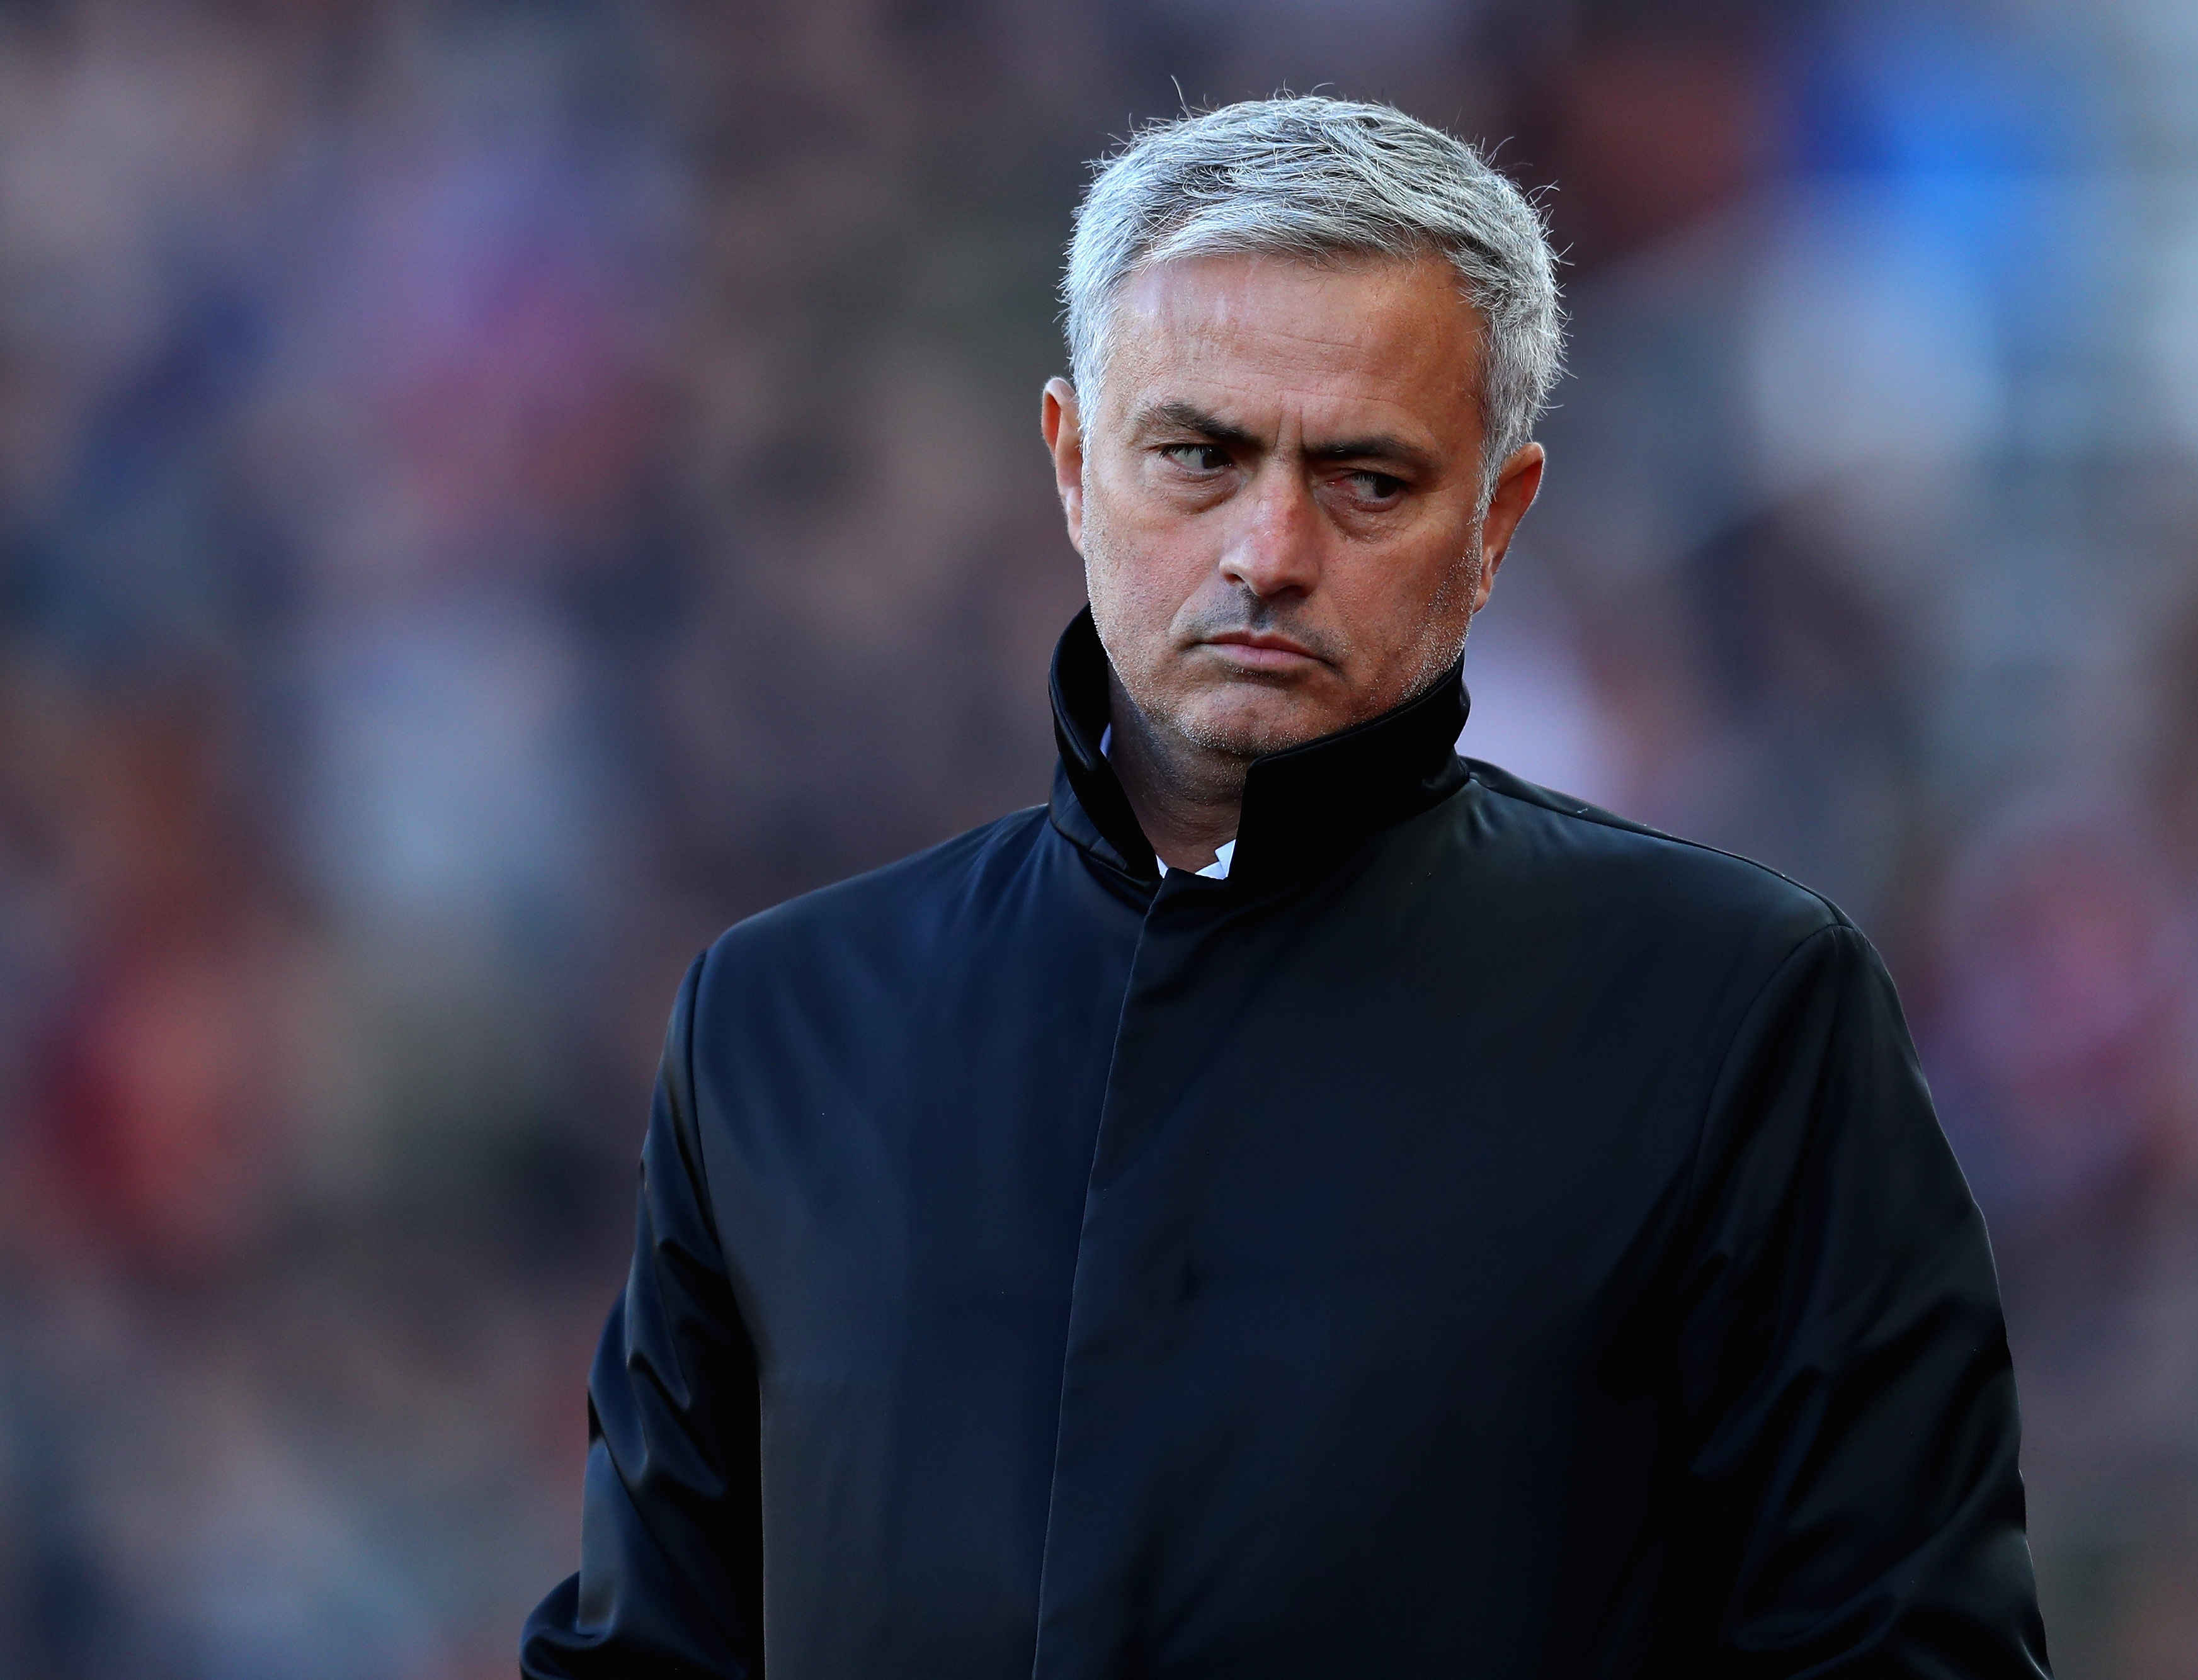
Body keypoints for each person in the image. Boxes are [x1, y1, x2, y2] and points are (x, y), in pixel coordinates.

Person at [521, 96, 2049, 1679]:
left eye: (1366, 479)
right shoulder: (779, 1026)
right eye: (1198, 454)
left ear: (1498, 519)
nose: (1267, 545)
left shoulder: (1737, 1019)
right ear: (1071, 462)